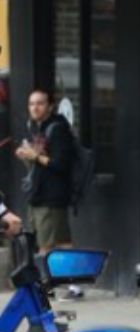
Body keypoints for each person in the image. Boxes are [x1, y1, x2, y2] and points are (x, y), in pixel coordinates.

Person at [15, 88, 83, 299]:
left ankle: (48, 285)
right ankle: (72, 285)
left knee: (48, 243)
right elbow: (40, 163)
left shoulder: (58, 128)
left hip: (52, 194)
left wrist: (34, 156)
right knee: (60, 241)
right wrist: (27, 157)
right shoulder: (37, 129)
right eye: (31, 104)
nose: (35, 108)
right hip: (39, 192)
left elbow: (60, 164)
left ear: (50, 106)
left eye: (40, 103)